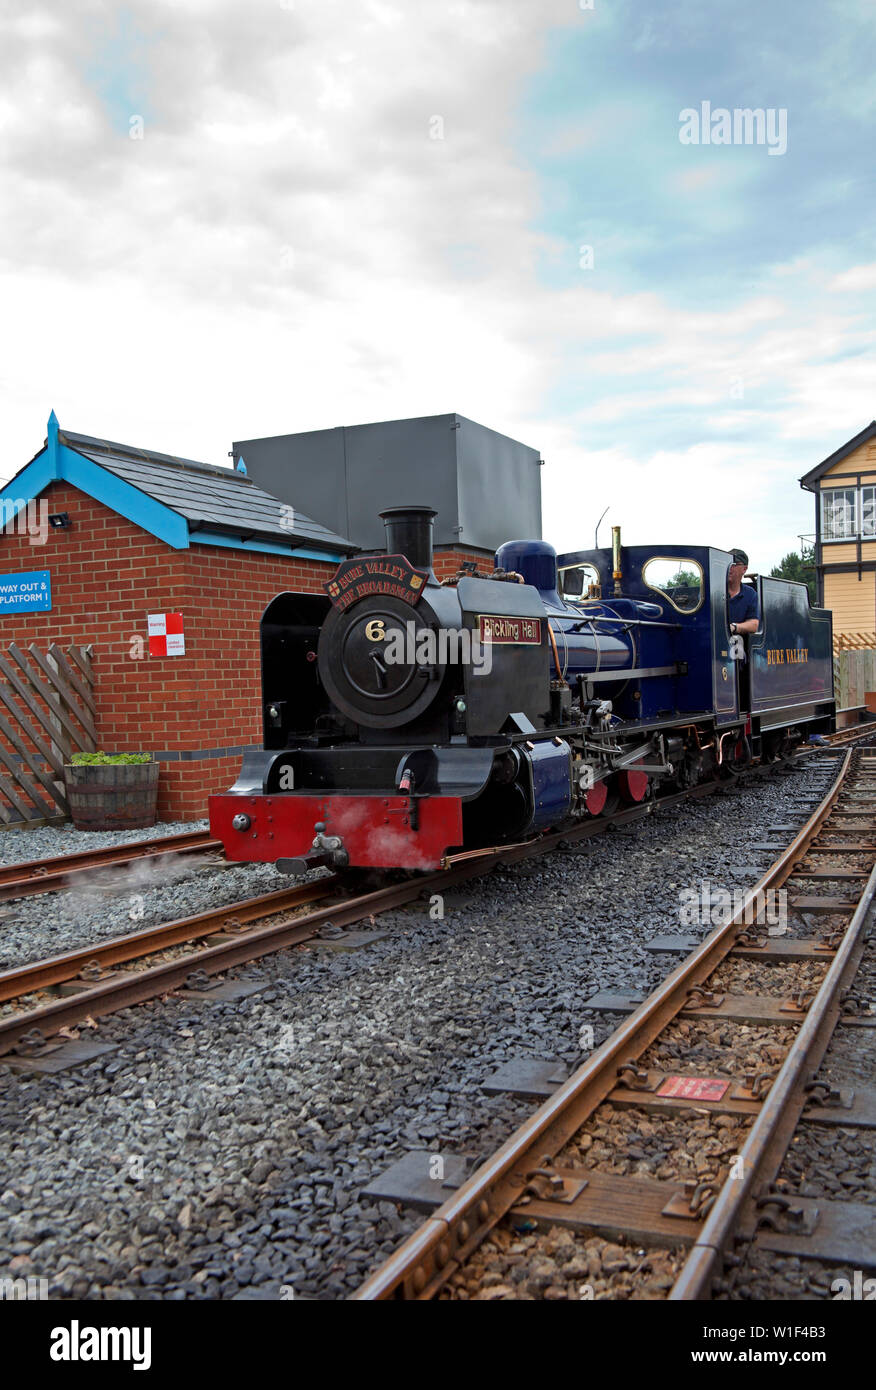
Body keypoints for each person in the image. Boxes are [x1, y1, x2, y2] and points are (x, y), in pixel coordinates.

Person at [727, 548, 759, 636]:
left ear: (744, 569)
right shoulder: (712, 591)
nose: (730, 568)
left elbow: (754, 624)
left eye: (734, 564)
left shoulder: (751, 594)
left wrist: (734, 627)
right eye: (727, 564)